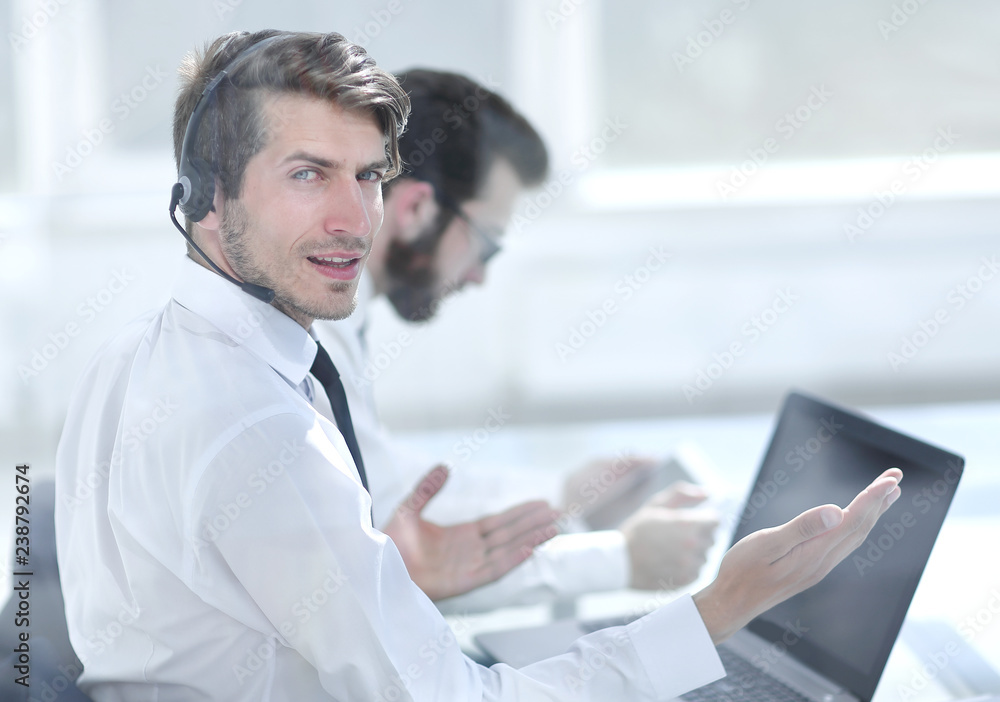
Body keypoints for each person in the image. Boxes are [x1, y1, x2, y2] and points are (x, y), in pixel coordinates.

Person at [54, 29, 903, 701]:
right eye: (308, 174)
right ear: (208, 198)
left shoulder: (136, 354)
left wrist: (392, 568)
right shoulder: (260, 426)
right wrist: (719, 611)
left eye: (368, 176)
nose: (357, 219)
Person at [315, 68, 723, 608]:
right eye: (486, 245)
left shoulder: (338, 314)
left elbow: (386, 479)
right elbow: (385, 561)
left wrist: (564, 497)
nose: (479, 276)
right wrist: (621, 559)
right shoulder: (314, 333)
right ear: (415, 209)